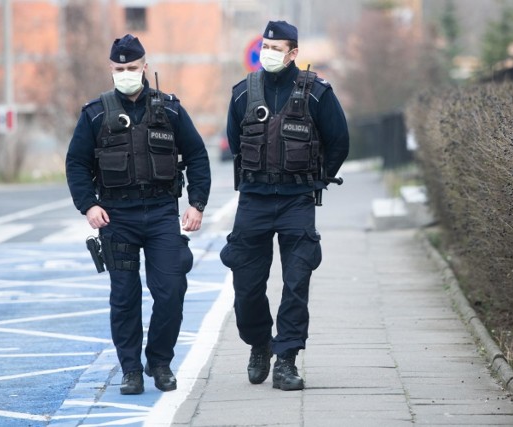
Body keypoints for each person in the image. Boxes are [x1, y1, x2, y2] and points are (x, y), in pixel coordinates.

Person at [65, 34, 211, 395]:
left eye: (132, 67)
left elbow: (197, 155)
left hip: (162, 213)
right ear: (111, 70)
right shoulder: (96, 113)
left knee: (172, 289)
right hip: (117, 219)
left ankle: (159, 362)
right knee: (124, 298)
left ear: (145, 66)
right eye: (120, 69)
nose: (126, 73)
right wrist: (89, 205)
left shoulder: (170, 109)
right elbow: (76, 164)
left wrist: (197, 203)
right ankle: (131, 369)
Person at [220, 21, 349, 391]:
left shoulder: (317, 92)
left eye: (277, 48)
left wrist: (316, 178)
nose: (269, 52)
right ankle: (260, 343)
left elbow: (339, 140)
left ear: (293, 53)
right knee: (246, 285)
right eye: (266, 46)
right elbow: (234, 138)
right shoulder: (244, 91)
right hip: (254, 201)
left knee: (296, 283)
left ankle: (287, 360)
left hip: (296, 200)